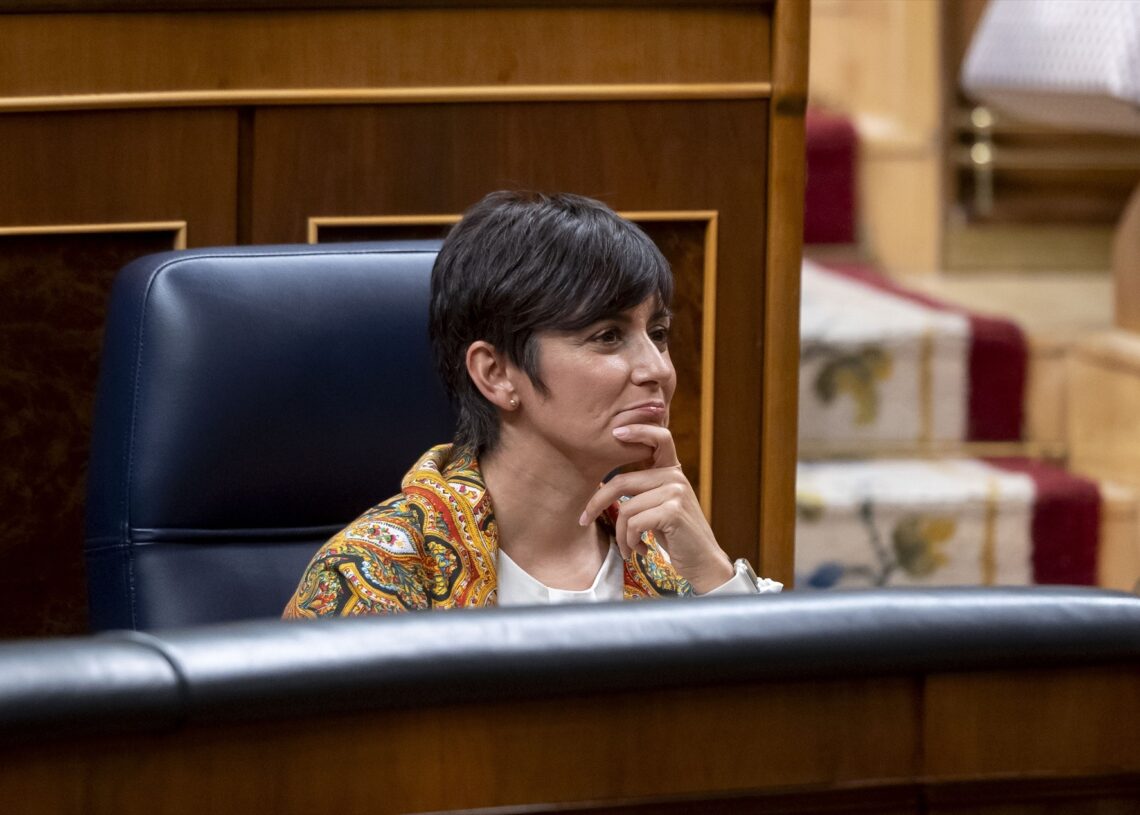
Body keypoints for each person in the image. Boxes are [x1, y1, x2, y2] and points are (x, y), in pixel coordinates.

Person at [283, 191, 780, 617]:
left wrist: (716, 578)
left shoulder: (671, 557)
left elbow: (780, 726)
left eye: (658, 334)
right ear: (496, 374)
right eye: (608, 336)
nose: (658, 369)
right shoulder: (371, 575)